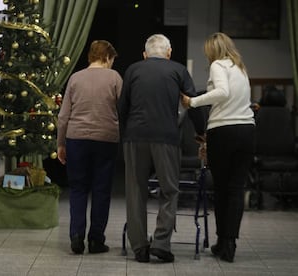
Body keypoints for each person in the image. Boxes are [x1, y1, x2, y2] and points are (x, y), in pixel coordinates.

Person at [118, 34, 205, 263]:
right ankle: (161, 243)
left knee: (136, 191)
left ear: (145, 54)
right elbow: (191, 102)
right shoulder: (178, 70)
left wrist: (125, 135)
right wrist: (202, 131)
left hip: (135, 137)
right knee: (169, 190)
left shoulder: (133, 70)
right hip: (166, 138)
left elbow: (122, 107)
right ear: (169, 52)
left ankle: (139, 248)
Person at [181, 32, 255, 263]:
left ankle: (223, 243)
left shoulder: (218, 65)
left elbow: (223, 93)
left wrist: (193, 101)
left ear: (213, 50)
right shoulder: (240, 68)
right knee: (236, 189)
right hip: (247, 130)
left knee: (222, 189)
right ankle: (229, 242)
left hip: (224, 131)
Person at [57, 40, 122, 255]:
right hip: (106, 139)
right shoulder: (114, 78)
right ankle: (96, 240)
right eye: (112, 59)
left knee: (77, 189)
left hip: (77, 138)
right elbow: (123, 109)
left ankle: (76, 236)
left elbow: (63, 116)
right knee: (101, 191)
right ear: (107, 57)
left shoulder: (75, 78)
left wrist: (61, 143)